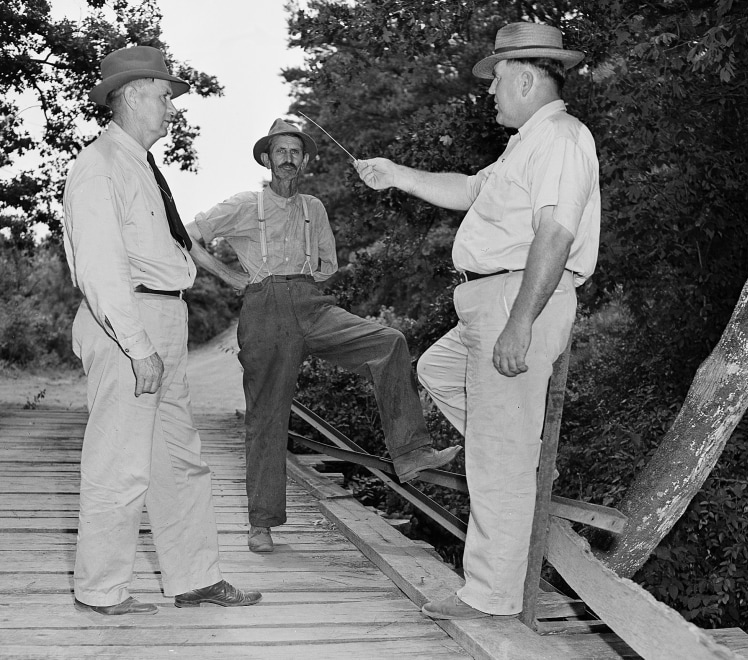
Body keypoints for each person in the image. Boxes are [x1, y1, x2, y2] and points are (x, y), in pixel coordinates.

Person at [354, 22, 600, 620]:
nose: (489, 93)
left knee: (496, 458)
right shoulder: (527, 144)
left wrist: (521, 321)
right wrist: (396, 173)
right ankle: (525, 456)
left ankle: (489, 595)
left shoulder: (563, 138)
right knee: (439, 372)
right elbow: (468, 189)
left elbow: (556, 234)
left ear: (522, 78)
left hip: (518, 299)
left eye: (494, 82)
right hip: (488, 303)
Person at [184, 119, 461, 553]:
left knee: (389, 342)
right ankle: (262, 524)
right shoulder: (243, 204)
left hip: (312, 303)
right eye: (280, 151)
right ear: (266, 158)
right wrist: (233, 278)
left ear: (306, 161)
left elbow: (327, 264)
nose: (288, 158)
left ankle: (411, 453)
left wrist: (305, 285)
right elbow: (189, 234)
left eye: (296, 151)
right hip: (264, 305)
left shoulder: (315, 208)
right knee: (267, 417)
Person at [63, 45, 262, 615]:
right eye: (163, 95)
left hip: (162, 316)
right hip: (129, 325)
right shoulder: (98, 167)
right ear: (129, 95)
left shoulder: (140, 166)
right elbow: (102, 271)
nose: (171, 108)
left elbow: (176, 244)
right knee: (118, 461)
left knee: (178, 459)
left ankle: (195, 578)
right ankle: (101, 590)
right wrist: (139, 348)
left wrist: (221, 276)